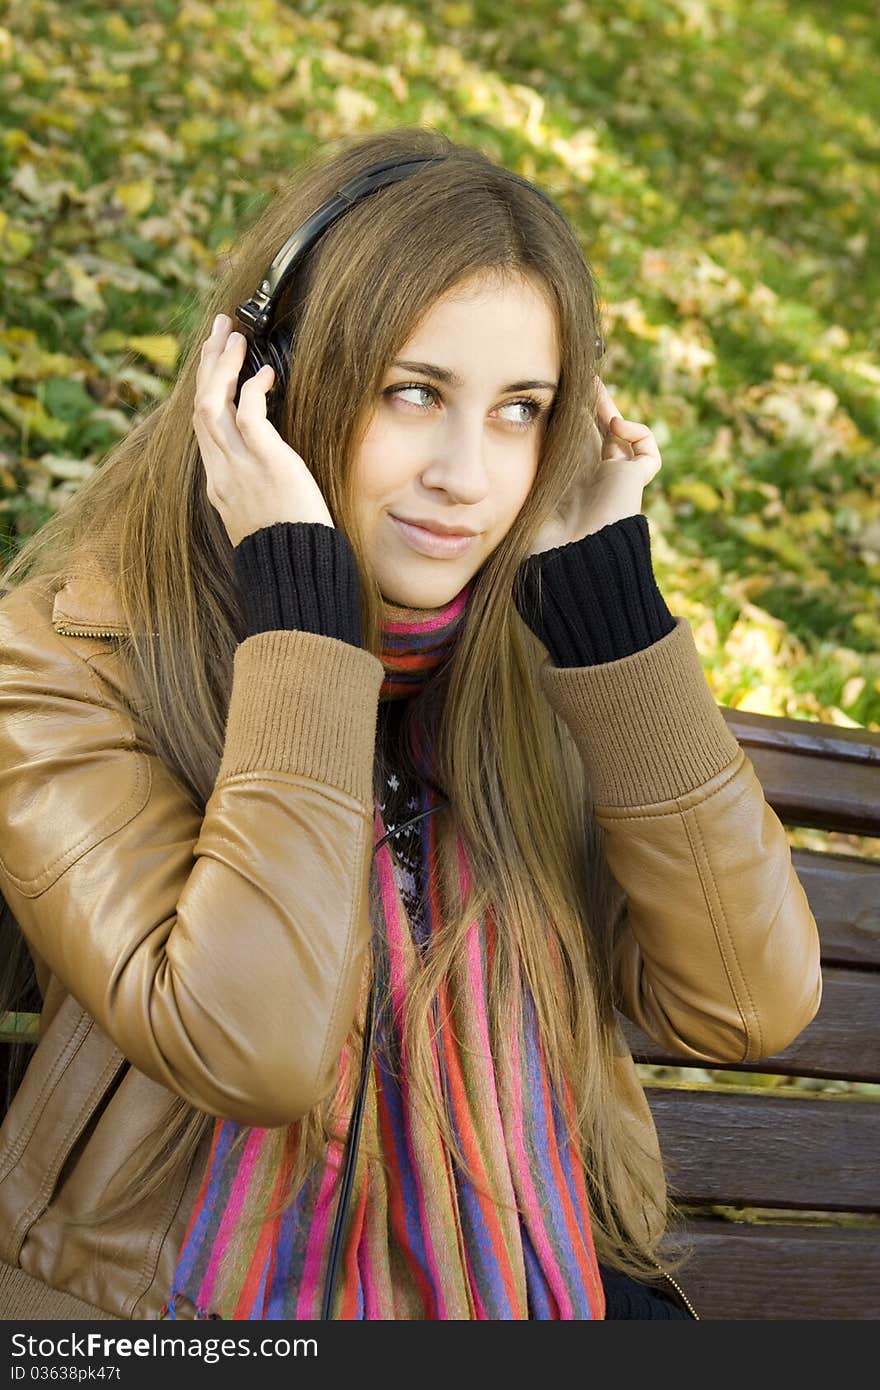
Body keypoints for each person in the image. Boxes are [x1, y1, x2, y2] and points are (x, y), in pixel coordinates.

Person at [0, 126, 821, 1322]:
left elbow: (747, 1001)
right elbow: (255, 1047)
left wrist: (614, 617)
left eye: (518, 409)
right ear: (263, 387)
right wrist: (306, 625)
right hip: (166, 1305)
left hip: (542, 1287)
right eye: (414, 391)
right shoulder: (67, 655)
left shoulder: (531, 662)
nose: (466, 475)